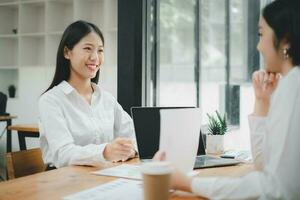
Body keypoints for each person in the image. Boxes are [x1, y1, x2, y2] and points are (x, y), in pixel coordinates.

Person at [155, 0, 300, 199]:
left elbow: (273, 189)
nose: (258, 46)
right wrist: (262, 102)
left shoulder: (294, 86)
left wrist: (186, 182)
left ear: (285, 40)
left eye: (261, 34)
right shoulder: (289, 85)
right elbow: (264, 166)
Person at [39, 20, 136, 169]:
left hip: (102, 175)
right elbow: (63, 154)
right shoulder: (51, 101)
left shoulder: (107, 99)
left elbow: (134, 135)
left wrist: (129, 149)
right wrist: (105, 152)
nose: (95, 57)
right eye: (87, 48)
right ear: (67, 52)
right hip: (64, 181)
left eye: (100, 50)